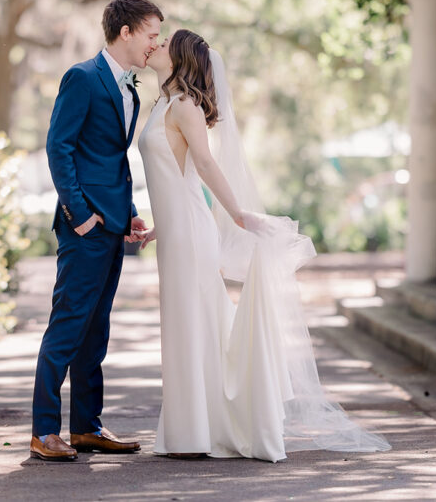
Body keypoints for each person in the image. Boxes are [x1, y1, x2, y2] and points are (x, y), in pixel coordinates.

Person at [135, 29, 391, 461]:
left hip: (192, 237)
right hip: (177, 233)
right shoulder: (163, 102)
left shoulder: (184, 106)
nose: (156, 46)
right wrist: (161, 225)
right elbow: (181, 178)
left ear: (179, 59)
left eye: (165, 43)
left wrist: (238, 214)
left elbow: (204, 164)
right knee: (189, 324)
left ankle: (200, 431)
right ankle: (191, 429)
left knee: (195, 322)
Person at [30, 0, 162, 462]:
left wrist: (126, 214)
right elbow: (58, 148)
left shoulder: (132, 88)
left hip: (112, 225)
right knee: (67, 326)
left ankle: (86, 427)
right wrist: (80, 215)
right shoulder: (82, 78)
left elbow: (110, 160)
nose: (156, 43)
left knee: (95, 331)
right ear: (125, 31)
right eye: (151, 34)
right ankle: (44, 430)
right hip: (84, 227)